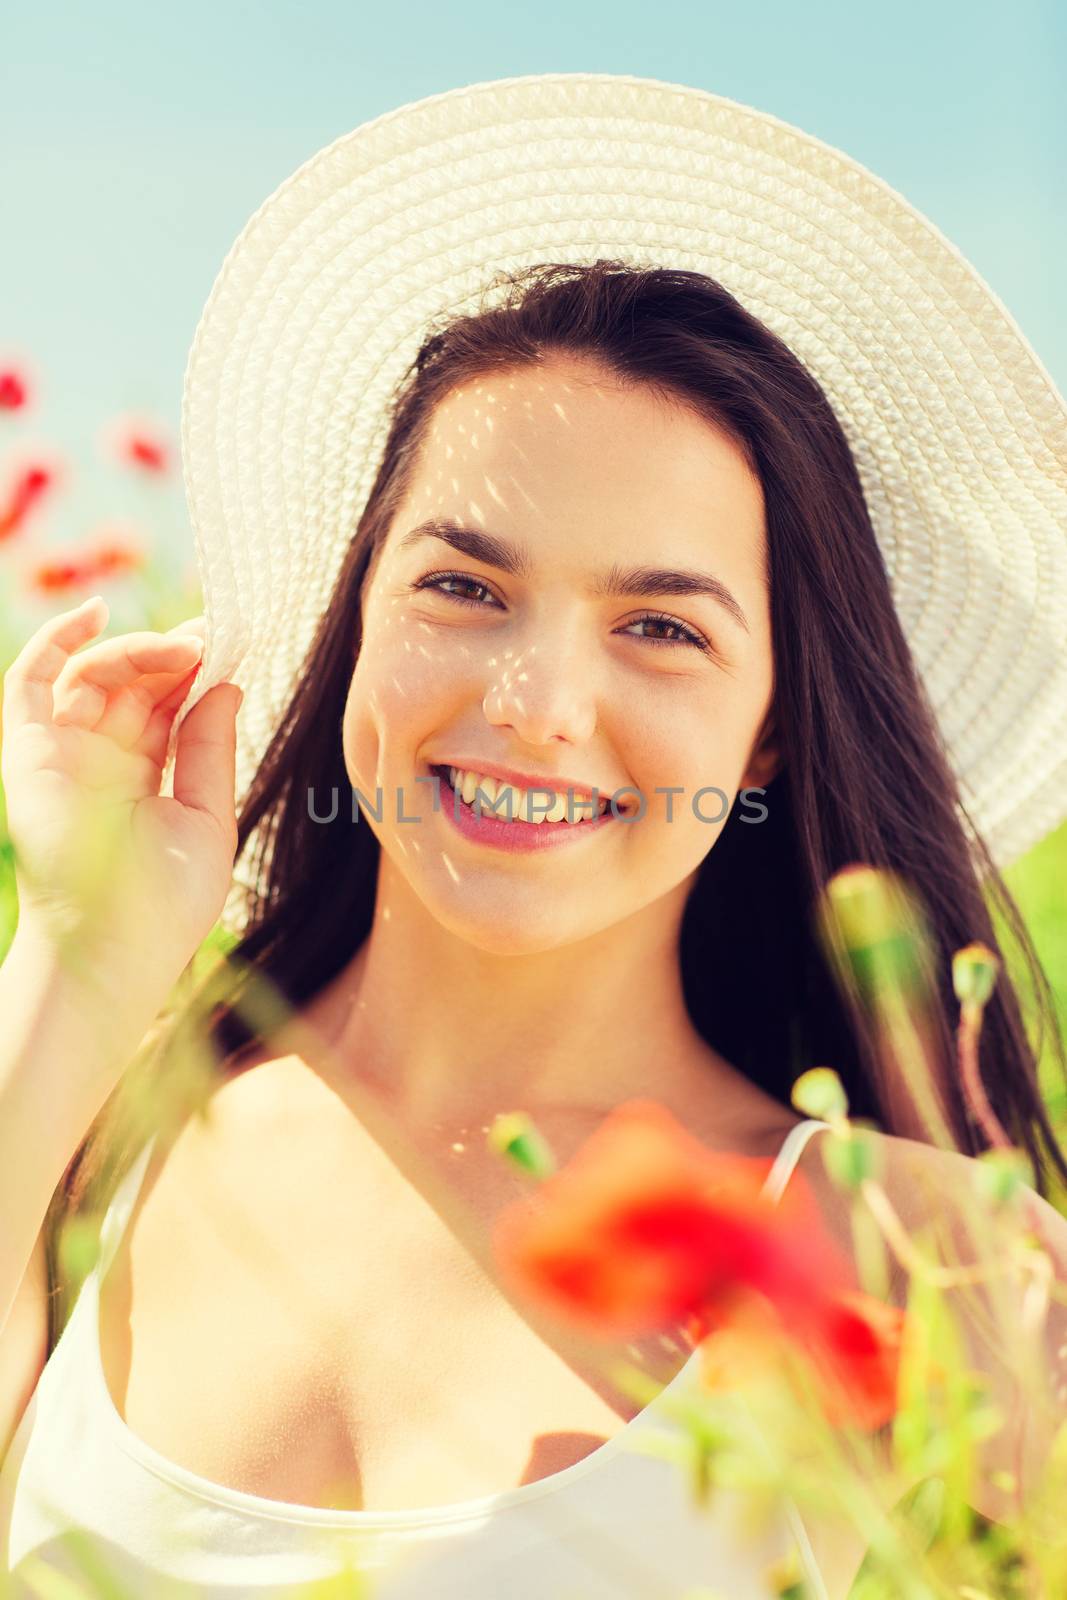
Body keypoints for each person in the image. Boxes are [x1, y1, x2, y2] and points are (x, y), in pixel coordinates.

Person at [2, 72, 1067, 1599]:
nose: (540, 703)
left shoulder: (926, 1267)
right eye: (464, 588)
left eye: (659, 627)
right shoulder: (104, 1131)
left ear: (769, 728)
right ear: (355, 619)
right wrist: (77, 969)